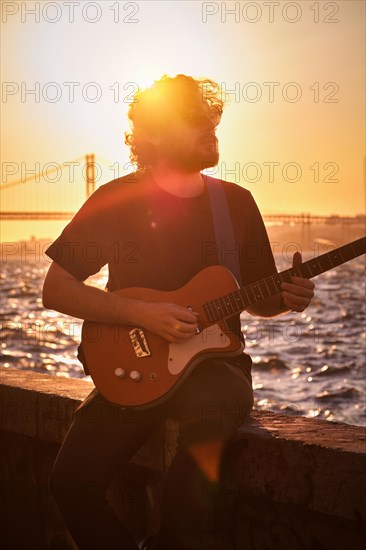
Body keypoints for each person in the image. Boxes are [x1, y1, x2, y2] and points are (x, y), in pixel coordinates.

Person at [43, 74, 315, 550]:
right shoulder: (116, 199)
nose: (211, 130)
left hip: (216, 368)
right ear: (156, 135)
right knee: (70, 484)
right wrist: (140, 314)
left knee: (197, 473)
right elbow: (56, 289)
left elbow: (256, 296)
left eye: (211, 120)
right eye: (195, 122)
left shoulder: (236, 203)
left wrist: (287, 299)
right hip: (134, 365)